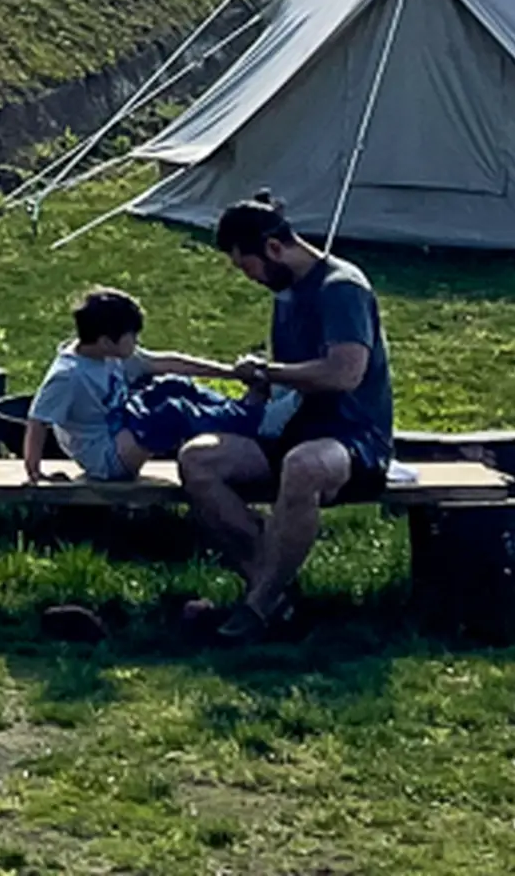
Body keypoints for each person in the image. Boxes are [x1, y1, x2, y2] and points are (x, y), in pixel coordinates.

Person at [174, 194, 394, 642]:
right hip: (293, 426)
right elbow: (293, 376)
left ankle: (256, 609)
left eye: (246, 265)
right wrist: (261, 386)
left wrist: (268, 371)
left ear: (274, 249)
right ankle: (272, 587)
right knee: (198, 460)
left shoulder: (341, 288)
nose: (249, 277)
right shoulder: (287, 292)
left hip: (351, 436)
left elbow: (344, 372)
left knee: (303, 467)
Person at [20, 286, 248, 483]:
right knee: (170, 412)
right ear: (106, 341)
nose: (137, 342)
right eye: (133, 337)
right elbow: (38, 420)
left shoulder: (107, 352)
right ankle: (248, 427)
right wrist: (35, 473)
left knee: (174, 385)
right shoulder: (68, 375)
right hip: (108, 458)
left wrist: (229, 372)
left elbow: (167, 362)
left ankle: (246, 412)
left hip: (124, 426)